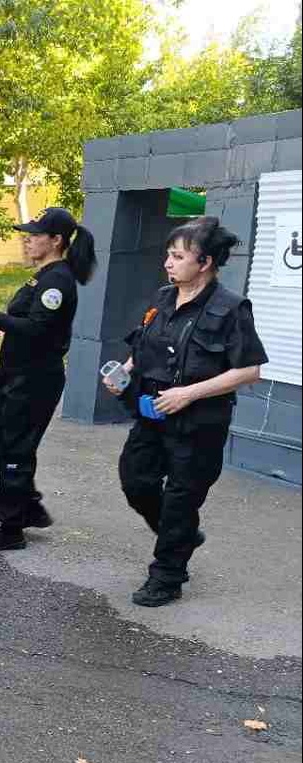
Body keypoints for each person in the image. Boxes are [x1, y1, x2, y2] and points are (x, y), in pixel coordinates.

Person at [105, 217, 267, 607]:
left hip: (198, 423)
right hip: (152, 413)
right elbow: (143, 345)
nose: (168, 262)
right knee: (136, 482)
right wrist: (124, 370)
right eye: (168, 255)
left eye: (178, 256)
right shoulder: (163, 297)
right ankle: (182, 536)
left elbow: (249, 371)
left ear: (205, 262)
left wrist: (189, 394)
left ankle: (167, 576)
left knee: (181, 501)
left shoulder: (231, 309)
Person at [0, 207, 96, 551]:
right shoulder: (44, 276)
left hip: (34, 379)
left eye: (35, 235)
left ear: (56, 240)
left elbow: (39, 329)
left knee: (14, 450)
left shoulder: (57, 280)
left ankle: (11, 528)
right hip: (19, 375)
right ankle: (29, 506)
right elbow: (30, 321)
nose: (28, 240)